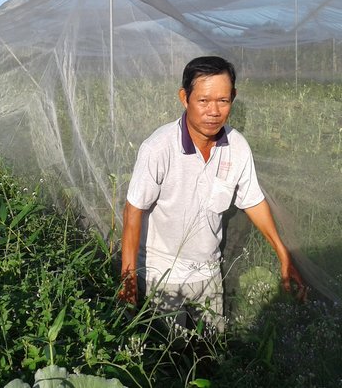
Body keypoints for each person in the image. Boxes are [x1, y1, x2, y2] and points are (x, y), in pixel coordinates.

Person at [119, 55, 306, 332]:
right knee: (167, 362)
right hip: (162, 275)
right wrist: (129, 278)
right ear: (185, 98)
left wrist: (283, 255)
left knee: (211, 353)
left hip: (209, 273)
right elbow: (133, 210)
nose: (214, 111)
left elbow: (253, 202)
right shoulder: (159, 148)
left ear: (233, 98)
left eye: (223, 101)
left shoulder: (237, 147)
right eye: (203, 100)